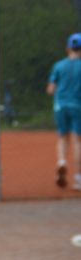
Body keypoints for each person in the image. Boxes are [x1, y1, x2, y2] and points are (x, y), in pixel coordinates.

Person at [47, 32, 81, 190]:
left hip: (60, 106)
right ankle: (78, 178)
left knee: (62, 137)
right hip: (78, 106)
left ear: (68, 48)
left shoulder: (59, 65)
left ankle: (62, 161)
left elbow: (50, 89)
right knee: (78, 141)